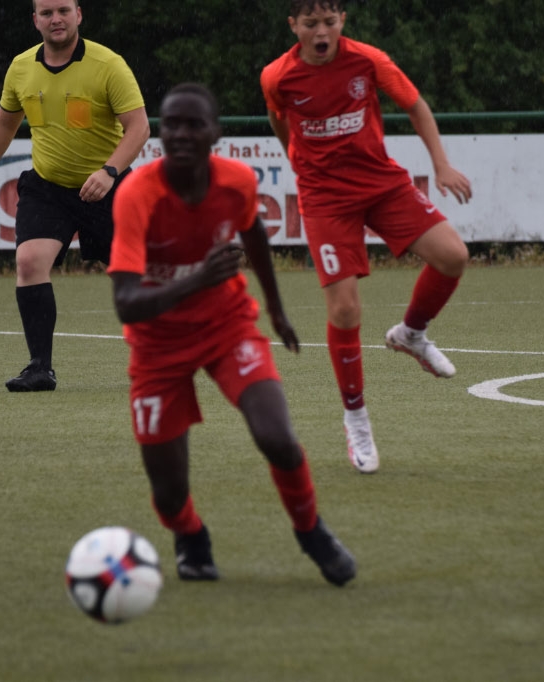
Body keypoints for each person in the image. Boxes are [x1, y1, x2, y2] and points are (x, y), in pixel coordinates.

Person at [108, 82, 356, 587]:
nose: (181, 133)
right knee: (169, 494)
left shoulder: (237, 180)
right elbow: (126, 303)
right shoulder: (137, 194)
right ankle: (190, 535)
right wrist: (199, 277)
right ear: (160, 133)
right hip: (156, 346)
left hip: (227, 326)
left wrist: (277, 311)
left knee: (278, 439)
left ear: (215, 133)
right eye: (171, 124)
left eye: (193, 124)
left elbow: (254, 232)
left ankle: (311, 532)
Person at [261, 0, 471, 473]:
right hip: (324, 198)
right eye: (310, 23)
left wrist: (440, 165)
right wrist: (296, 156)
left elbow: (415, 106)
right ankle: (355, 418)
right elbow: (278, 117)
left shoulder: (369, 60)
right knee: (344, 309)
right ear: (293, 25)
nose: (321, 32)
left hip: (380, 183)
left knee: (453, 255)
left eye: (329, 22)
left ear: (342, 22)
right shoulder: (277, 76)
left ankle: (411, 334)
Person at [0, 0, 149, 392]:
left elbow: (139, 128)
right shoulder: (21, 67)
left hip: (109, 187)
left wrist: (109, 172)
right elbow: (4, 123)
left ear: (78, 14)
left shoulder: (108, 65)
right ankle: (39, 369)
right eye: (47, 13)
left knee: (137, 277)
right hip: (47, 188)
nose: (56, 19)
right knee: (29, 262)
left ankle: (168, 353)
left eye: (63, 10)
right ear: (35, 20)